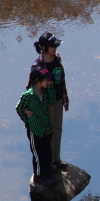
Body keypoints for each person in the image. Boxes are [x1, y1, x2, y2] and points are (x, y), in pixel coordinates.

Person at [29, 32, 69, 170]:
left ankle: (56, 159)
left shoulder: (57, 58)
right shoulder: (37, 64)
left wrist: (64, 99)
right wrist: (29, 108)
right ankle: (49, 163)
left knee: (58, 129)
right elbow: (31, 86)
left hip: (58, 99)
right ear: (44, 48)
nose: (55, 48)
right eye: (52, 46)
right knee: (48, 132)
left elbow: (62, 80)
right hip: (45, 102)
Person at [16, 66, 59, 186]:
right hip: (36, 129)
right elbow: (19, 108)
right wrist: (27, 121)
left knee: (47, 151)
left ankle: (48, 172)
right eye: (46, 80)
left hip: (47, 128)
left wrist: (50, 87)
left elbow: (53, 101)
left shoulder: (45, 91)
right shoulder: (28, 95)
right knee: (38, 153)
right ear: (37, 81)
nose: (49, 82)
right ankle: (39, 176)